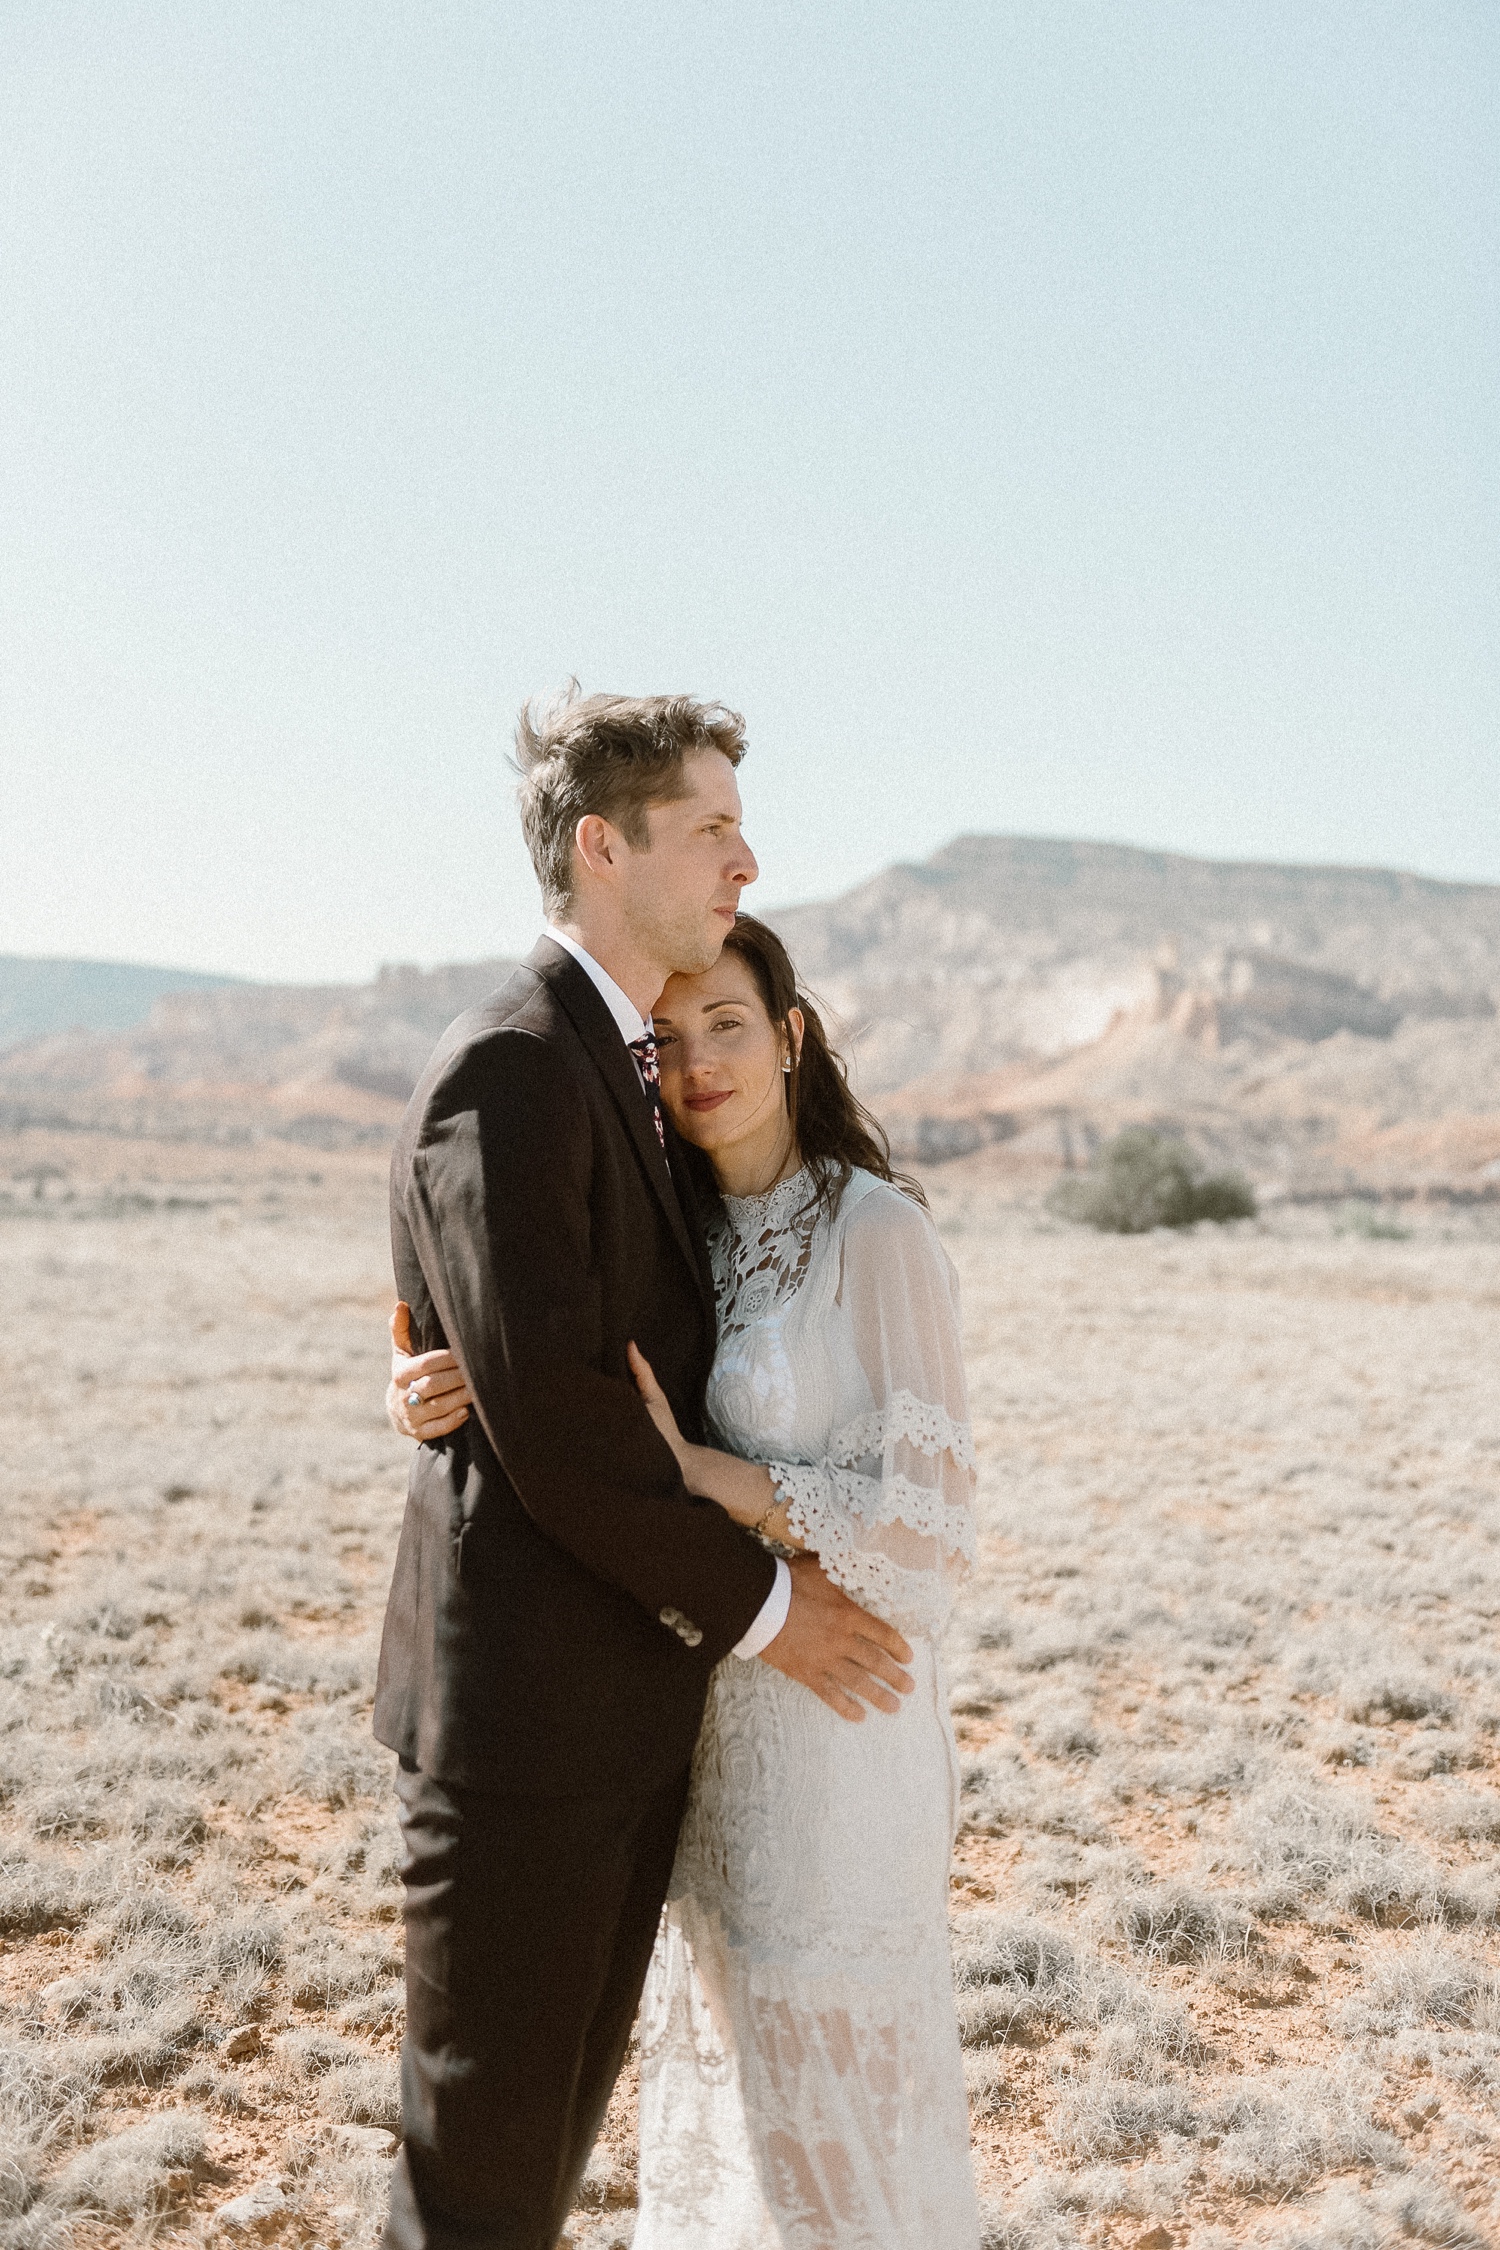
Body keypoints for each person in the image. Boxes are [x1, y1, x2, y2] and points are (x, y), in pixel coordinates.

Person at [373, 689, 916, 2250]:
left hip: (615, 1730)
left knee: (528, 2172)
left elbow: (530, 1336)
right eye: (714, 828)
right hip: (524, 1741)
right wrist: (773, 1612)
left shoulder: (623, 1068)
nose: (749, 859)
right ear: (604, 847)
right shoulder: (516, 1065)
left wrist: (432, 1359)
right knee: (476, 2180)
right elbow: (562, 1423)